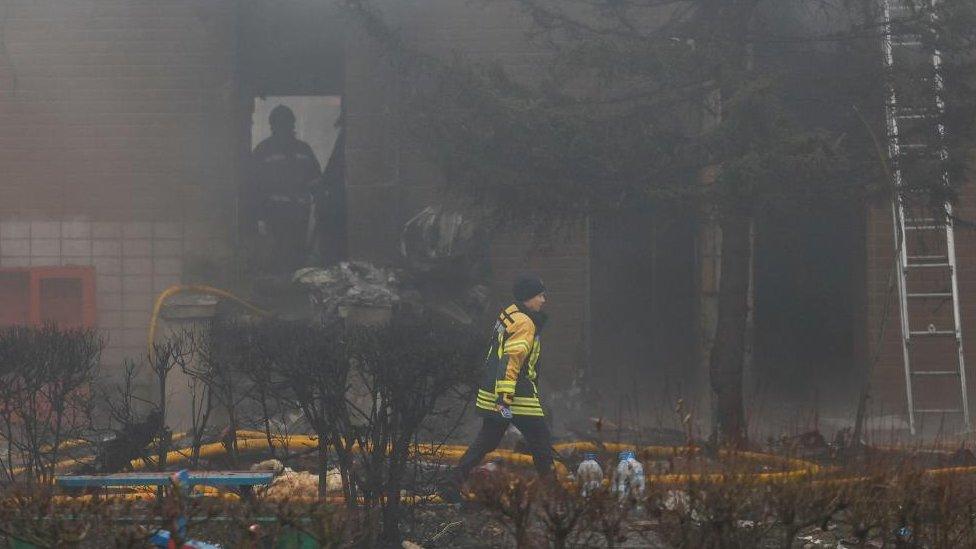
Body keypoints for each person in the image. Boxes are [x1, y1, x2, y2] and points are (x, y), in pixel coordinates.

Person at [445, 274, 553, 501]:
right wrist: (505, 396)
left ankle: (452, 481)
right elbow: (512, 360)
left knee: (488, 440)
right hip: (516, 395)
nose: (544, 300)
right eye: (541, 295)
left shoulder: (509, 314)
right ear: (529, 297)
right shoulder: (524, 322)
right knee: (541, 440)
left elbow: (496, 355)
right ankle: (553, 494)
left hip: (495, 391)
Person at [243, 105, 322, 274]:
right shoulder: (264, 150)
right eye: (280, 123)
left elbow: (315, 180)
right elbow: (253, 186)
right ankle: (281, 286)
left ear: (291, 125)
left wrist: (321, 204)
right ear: (274, 125)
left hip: (299, 212)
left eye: (286, 123)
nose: (284, 127)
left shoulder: (303, 149)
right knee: (279, 252)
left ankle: (291, 285)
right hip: (276, 213)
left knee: (296, 252)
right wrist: (259, 217)